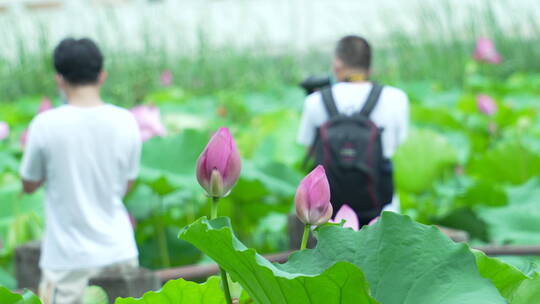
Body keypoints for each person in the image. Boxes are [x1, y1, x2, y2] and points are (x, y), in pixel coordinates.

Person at [19, 38, 141, 304]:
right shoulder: (126, 121)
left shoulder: (45, 125)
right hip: (119, 252)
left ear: (59, 79)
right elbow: (127, 184)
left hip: (66, 261)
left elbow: (28, 183)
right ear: (102, 76)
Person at [297, 35, 409, 226]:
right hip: (382, 212)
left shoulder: (315, 101)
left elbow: (309, 150)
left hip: (326, 214)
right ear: (370, 68)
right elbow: (398, 146)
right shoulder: (397, 98)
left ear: (337, 65)